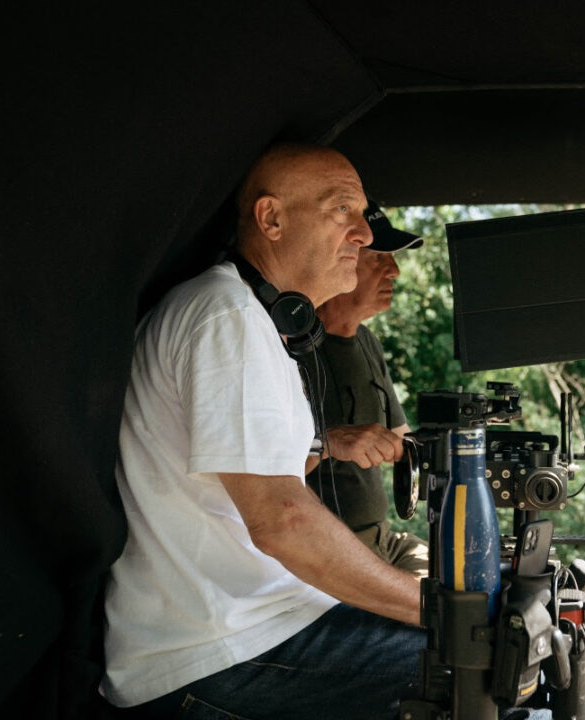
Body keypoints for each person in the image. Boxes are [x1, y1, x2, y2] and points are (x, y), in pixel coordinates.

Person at [101, 144, 425, 719]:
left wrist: (325, 444)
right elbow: (281, 522)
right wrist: (438, 607)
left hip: (254, 626)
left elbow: (249, 482)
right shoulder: (226, 317)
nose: (364, 234)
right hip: (210, 653)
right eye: (342, 210)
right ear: (271, 219)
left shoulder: (246, 315)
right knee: (478, 659)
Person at [310, 198, 428, 577]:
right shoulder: (291, 348)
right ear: (343, 260)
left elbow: (405, 442)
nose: (393, 270)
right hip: (332, 549)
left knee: (476, 581)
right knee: (445, 617)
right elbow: (261, 478)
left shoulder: (367, 341)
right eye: (379, 257)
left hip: (384, 540)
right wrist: (328, 442)